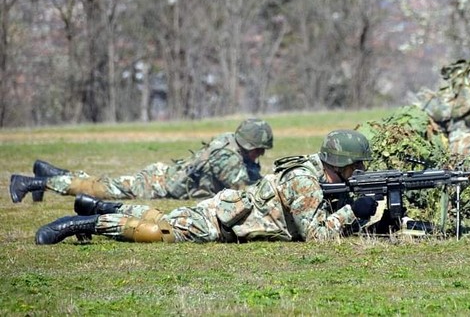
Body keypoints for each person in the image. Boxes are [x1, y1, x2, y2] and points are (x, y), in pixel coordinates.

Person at [34, 129, 379, 245]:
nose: (359, 172)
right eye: (356, 166)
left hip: (227, 215)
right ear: (341, 163)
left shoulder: (313, 169)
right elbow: (317, 237)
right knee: (160, 232)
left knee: (162, 217)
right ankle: (77, 225)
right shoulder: (305, 181)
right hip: (219, 222)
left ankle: (94, 207)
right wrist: (354, 210)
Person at [10, 118, 273, 203]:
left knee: (102, 183)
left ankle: (45, 172)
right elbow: (245, 191)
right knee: (100, 189)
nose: (260, 155)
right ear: (248, 144)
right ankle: (32, 183)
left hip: (163, 176)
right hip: (157, 184)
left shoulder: (230, 141)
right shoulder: (227, 157)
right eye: (259, 150)